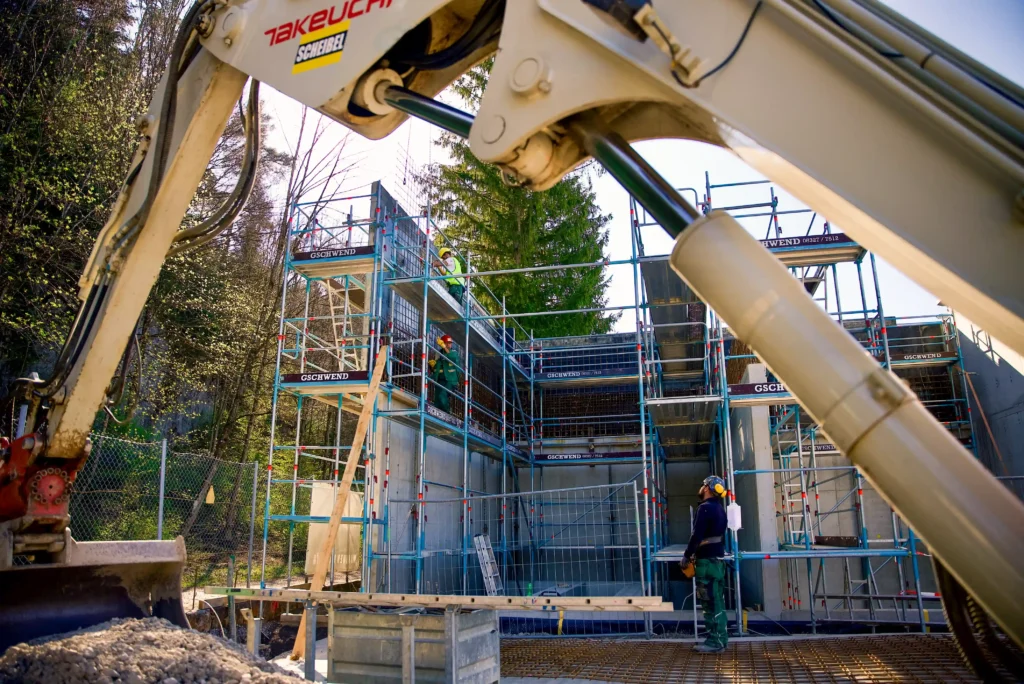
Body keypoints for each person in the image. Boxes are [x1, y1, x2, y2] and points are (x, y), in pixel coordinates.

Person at [682, 474, 730, 653]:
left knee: (709, 603)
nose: (701, 488)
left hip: (707, 563)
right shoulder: (719, 509)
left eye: (703, 485)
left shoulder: (704, 509)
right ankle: (721, 639)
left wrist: (687, 555)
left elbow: (697, 535)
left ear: (708, 488)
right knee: (718, 602)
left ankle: (714, 643)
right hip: (717, 562)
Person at [430, 334, 460, 414]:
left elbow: (451, 358)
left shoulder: (454, 353)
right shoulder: (438, 353)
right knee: (437, 399)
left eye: (450, 343)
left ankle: (446, 413)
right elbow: (437, 368)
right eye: (446, 343)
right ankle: (437, 414)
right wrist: (432, 366)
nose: (449, 345)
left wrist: (444, 347)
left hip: (451, 380)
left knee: (442, 396)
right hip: (440, 380)